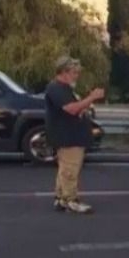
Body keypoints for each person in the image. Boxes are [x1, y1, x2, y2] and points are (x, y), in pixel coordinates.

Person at [45, 56, 105, 214]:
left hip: (71, 134)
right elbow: (71, 109)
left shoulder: (64, 89)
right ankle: (70, 200)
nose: (76, 76)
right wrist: (92, 97)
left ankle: (60, 198)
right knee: (70, 169)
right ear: (63, 72)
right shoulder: (56, 88)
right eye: (74, 72)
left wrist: (84, 106)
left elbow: (75, 108)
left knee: (65, 168)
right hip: (68, 137)